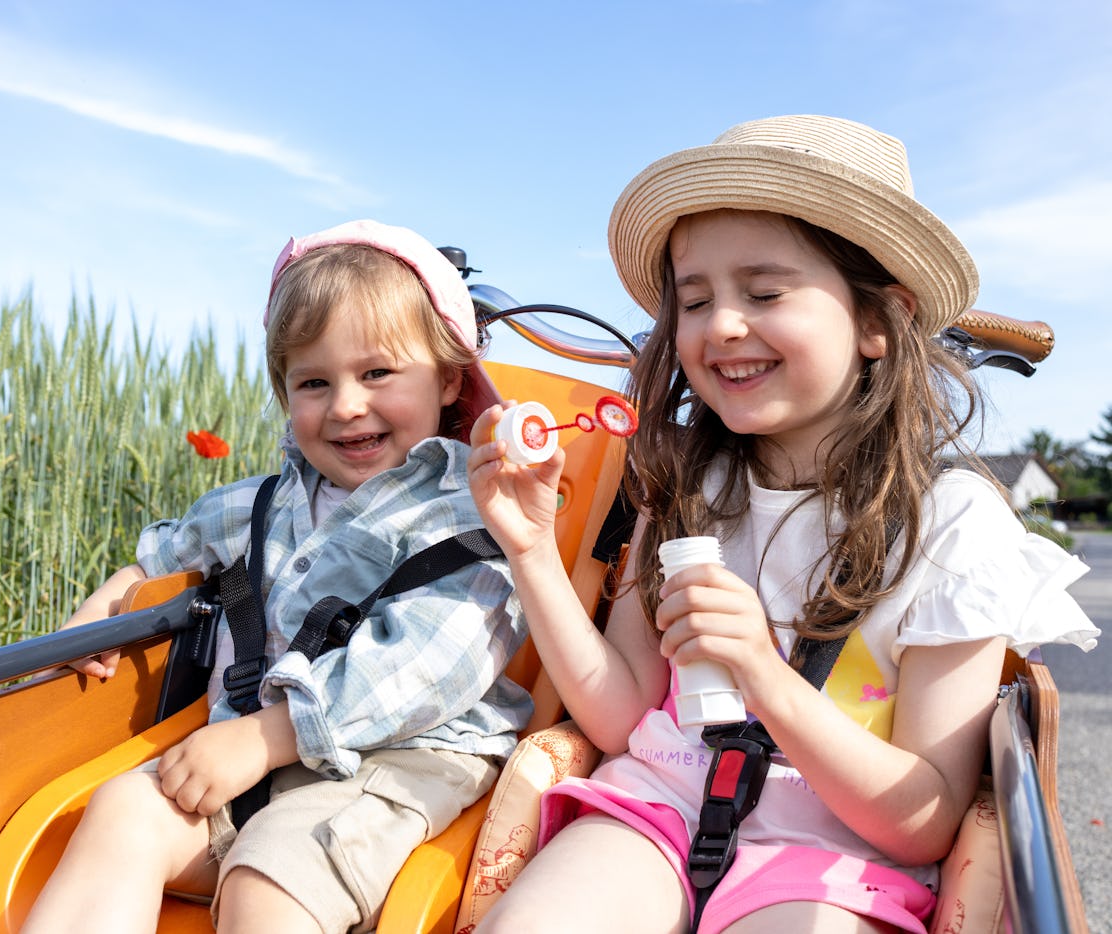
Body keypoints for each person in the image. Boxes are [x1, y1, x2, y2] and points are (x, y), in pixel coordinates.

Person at [467, 115, 1099, 933]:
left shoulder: (953, 526)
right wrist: (529, 549)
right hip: (653, 814)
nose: (721, 324)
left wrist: (764, 675)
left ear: (880, 321)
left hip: (836, 862)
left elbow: (927, 816)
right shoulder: (689, 489)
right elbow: (622, 715)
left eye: (764, 293)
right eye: (694, 300)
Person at [23, 219, 531, 934]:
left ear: (449, 378)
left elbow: (428, 666)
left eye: (377, 373)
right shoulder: (264, 503)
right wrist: (114, 593)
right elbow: (169, 550)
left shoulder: (472, 511)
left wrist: (268, 737)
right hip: (248, 754)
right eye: (314, 382)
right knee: (125, 809)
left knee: (268, 883)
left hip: (394, 762)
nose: (347, 405)